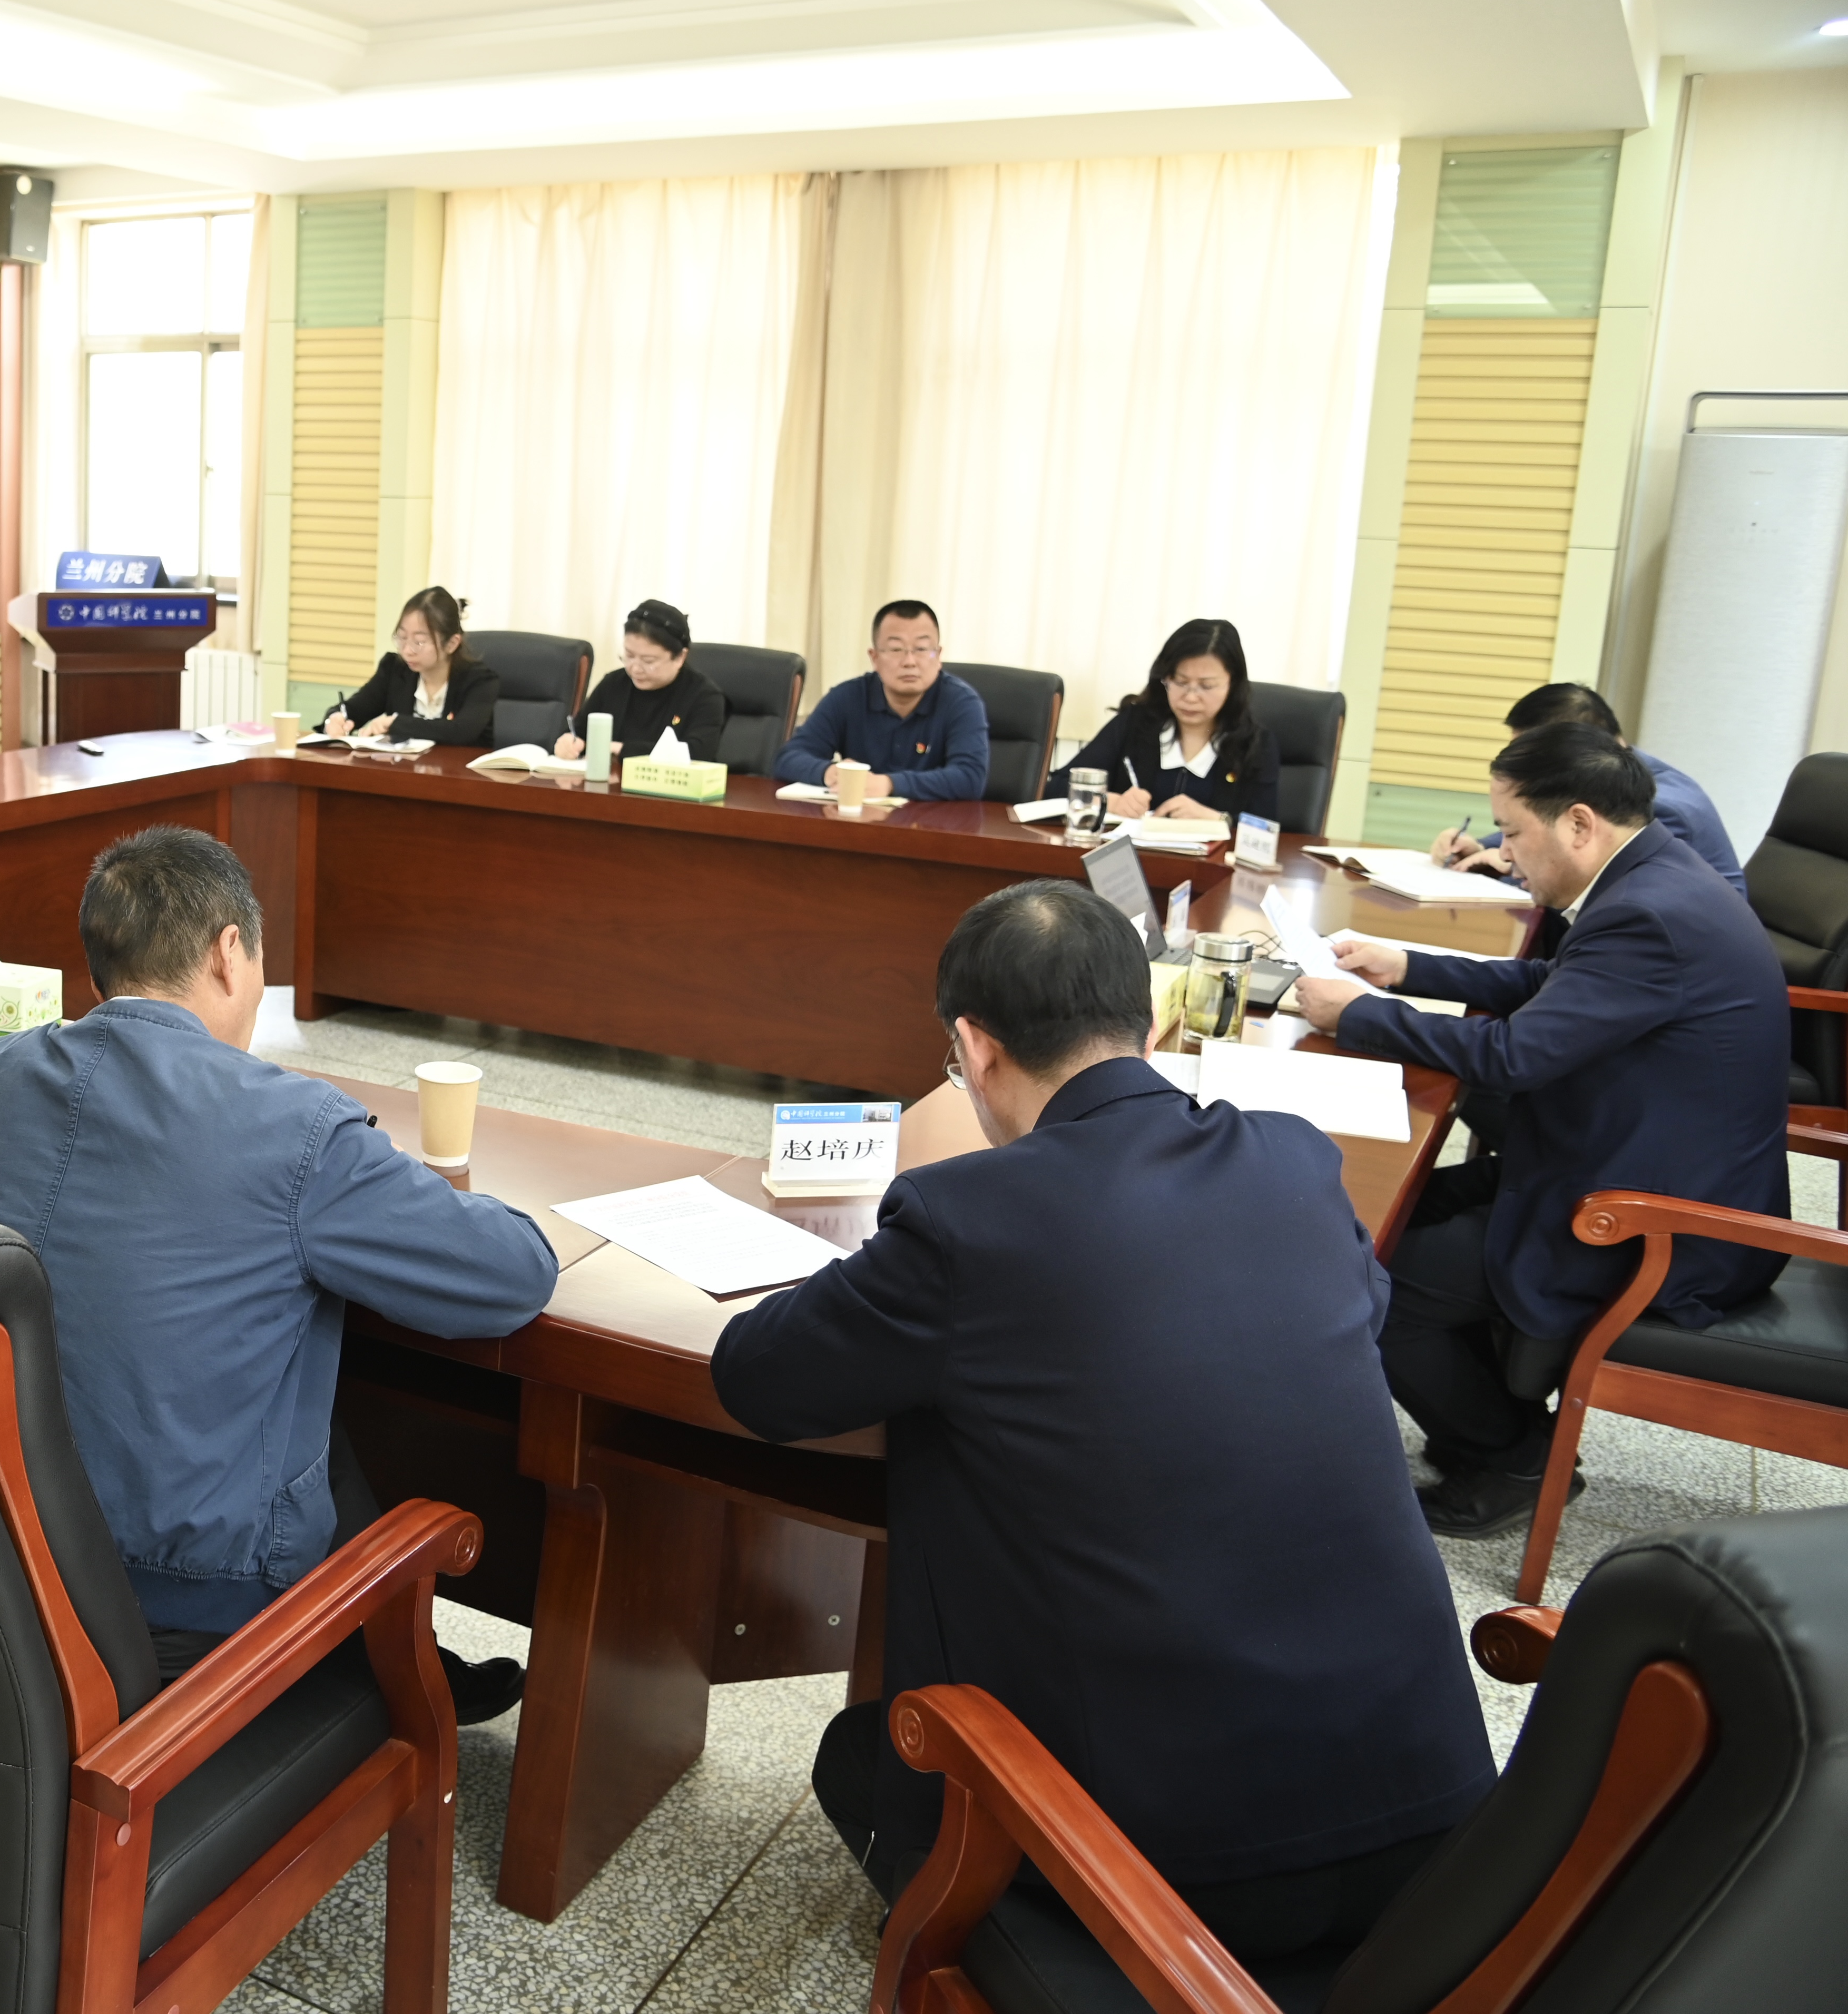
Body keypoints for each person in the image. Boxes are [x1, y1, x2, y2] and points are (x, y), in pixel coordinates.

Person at [715, 880, 1491, 1953]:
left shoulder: (966, 1217)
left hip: (1174, 1885)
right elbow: (1358, 1312)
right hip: (1441, 1840)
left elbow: (757, 1377)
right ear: (1150, 1025)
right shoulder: (1296, 1158)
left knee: (863, 1758)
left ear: (974, 1047)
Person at [0, 826, 556, 1713]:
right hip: (193, 1600)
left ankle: (404, 1654)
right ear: (229, 952)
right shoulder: (293, 1127)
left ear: (99, 966)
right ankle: (392, 1666)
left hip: (8, 1545)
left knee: (308, 1416)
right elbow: (514, 1275)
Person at [1299, 723, 1789, 1536]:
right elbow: (1552, 983)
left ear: (1579, 824)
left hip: (1660, 1218)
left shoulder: (1649, 914)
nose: (1506, 853)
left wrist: (1360, 1016)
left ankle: (1512, 1458)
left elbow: (1517, 1055)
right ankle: (1491, 1416)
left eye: (1514, 832)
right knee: (1381, 1217)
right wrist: (1407, 966)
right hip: (1618, 1157)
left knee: (1372, 1275)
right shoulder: (1652, 876)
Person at [1430, 682, 1746, 898]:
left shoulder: (1656, 808)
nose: (1523, 770)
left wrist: (1507, 868)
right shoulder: (1616, 774)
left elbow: (1587, 892)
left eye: (1532, 758)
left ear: (1577, 746)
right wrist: (1478, 848)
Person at [1056, 618, 1279, 821]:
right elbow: (1056, 786)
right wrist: (1109, 802)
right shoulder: (1135, 723)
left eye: (1207, 686)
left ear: (1233, 685)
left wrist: (1220, 820)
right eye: (1180, 682)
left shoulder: (1256, 744)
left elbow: (1267, 829)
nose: (1191, 697)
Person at [772, 600, 989, 800]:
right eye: (896, 649)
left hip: (933, 825)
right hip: (860, 823)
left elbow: (970, 778)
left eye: (922, 649)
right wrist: (829, 772)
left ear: (939, 655)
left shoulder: (961, 703)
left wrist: (889, 784)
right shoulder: (848, 697)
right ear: (874, 657)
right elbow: (789, 758)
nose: (910, 662)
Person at [319, 587, 500, 745]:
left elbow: (461, 731)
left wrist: (396, 723)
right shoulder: (395, 670)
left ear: (451, 644)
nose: (407, 651)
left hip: (458, 772)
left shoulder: (480, 681)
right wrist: (334, 720)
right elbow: (354, 709)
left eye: (419, 642)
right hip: (403, 771)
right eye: (402, 638)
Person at [551, 600, 727, 761]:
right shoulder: (614, 684)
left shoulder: (704, 697)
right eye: (629, 656)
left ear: (681, 657)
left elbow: (697, 753)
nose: (635, 669)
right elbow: (579, 733)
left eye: (648, 661)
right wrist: (568, 743)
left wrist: (620, 749)